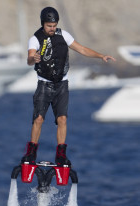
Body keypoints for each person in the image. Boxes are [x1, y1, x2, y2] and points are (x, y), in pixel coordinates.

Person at [21, 6, 116, 166]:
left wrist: (101, 56)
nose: (52, 28)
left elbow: (82, 49)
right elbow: (30, 58)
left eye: (54, 25)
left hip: (62, 85)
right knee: (38, 119)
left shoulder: (63, 35)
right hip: (44, 84)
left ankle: (61, 155)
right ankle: (31, 153)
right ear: (43, 23)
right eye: (49, 26)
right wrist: (33, 59)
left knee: (62, 119)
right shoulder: (35, 39)